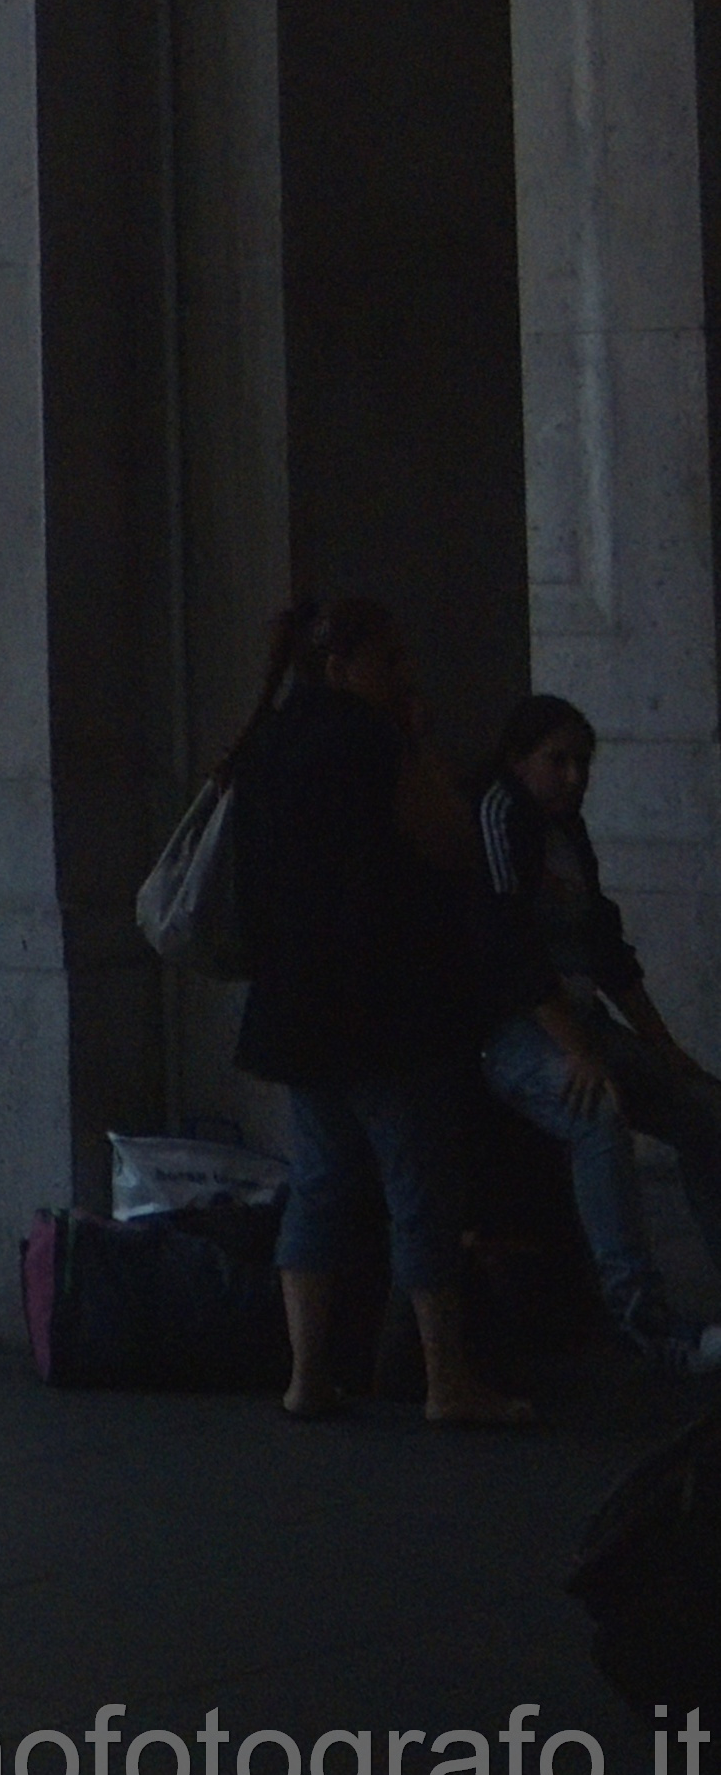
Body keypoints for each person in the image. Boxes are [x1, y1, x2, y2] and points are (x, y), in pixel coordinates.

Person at [229, 595, 531, 1426]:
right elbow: (451, 840)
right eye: (390, 660)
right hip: (388, 1007)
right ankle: (445, 1378)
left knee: (321, 1185)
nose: (405, 674)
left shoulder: (268, 740)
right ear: (343, 667)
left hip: (297, 1009)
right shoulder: (371, 741)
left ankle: (307, 1373)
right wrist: (419, 740)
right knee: (420, 1187)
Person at [474, 693, 721, 1379]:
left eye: (583, 762)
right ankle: (642, 1319)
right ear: (519, 760)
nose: (575, 777)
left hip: (580, 1021)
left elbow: (606, 948)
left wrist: (666, 1050)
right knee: (597, 1116)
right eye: (558, 761)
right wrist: (579, 1052)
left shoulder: (568, 832)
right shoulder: (502, 817)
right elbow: (509, 952)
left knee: (702, 1111)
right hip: (518, 1031)